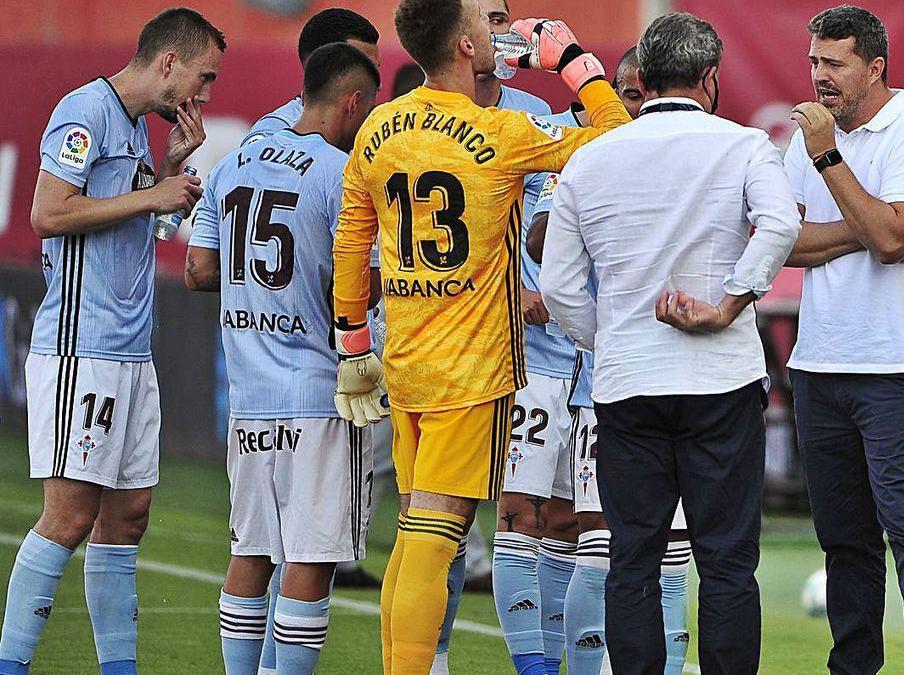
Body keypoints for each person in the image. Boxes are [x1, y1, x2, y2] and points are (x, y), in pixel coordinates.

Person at [329, 0, 631, 671]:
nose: (496, 34)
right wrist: (571, 61)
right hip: (468, 371)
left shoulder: (380, 128)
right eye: (483, 24)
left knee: (415, 536)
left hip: (403, 362)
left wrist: (354, 344)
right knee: (438, 539)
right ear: (466, 46)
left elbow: (352, 242)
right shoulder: (503, 133)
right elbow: (617, 135)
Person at [541, 12, 799, 674]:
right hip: (721, 379)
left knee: (633, 557)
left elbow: (564, 285)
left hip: (629, 383)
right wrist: (728, 304)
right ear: (710, 78)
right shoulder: (743, 145)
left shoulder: (590, 157)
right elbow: (779, 226)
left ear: (642, 79)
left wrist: (611, 338)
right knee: (727, 560)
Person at [0, 9, 223, 675]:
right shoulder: (85, 110)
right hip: (82, 347)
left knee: (128, 518)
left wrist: (170, 172)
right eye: (203, 78)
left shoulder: (129, 128)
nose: (205, 95)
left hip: (130, 351)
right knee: (67, 518)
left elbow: (129, 230)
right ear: (169, 63)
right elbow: (48, 212)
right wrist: (154, 194)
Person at [183, 43, 380, 675]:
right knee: (311, 557)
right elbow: (360, 284)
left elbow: (199, 269)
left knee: (252, 553)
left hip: (248, 395)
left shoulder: (231, 163)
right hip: (318, 395)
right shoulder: (340, 173)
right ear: (352, 102)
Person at [783, 5, 904, 673]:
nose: (819, 76)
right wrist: (870, 226)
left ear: (876, 66)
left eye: (834, 63)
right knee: (844, 542)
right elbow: (781, 243)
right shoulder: (802, 135)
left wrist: (829, 158)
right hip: (819, 365)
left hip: (897, 367)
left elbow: (897, 238)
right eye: (813, 62)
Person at [529, 46, 693, 675]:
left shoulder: (695, 151)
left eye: (636, 92)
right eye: (617, 92)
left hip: (690, 381)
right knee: (598, 544)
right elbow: (543, 243)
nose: (628, 105)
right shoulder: (588, 156)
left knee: (674, 553)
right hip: (609, 380)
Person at [241, 8, 380, 146]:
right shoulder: (271, 134)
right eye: (366, 69)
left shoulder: (379, 131)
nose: (378, 85)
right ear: (324, 63)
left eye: (376, 69)